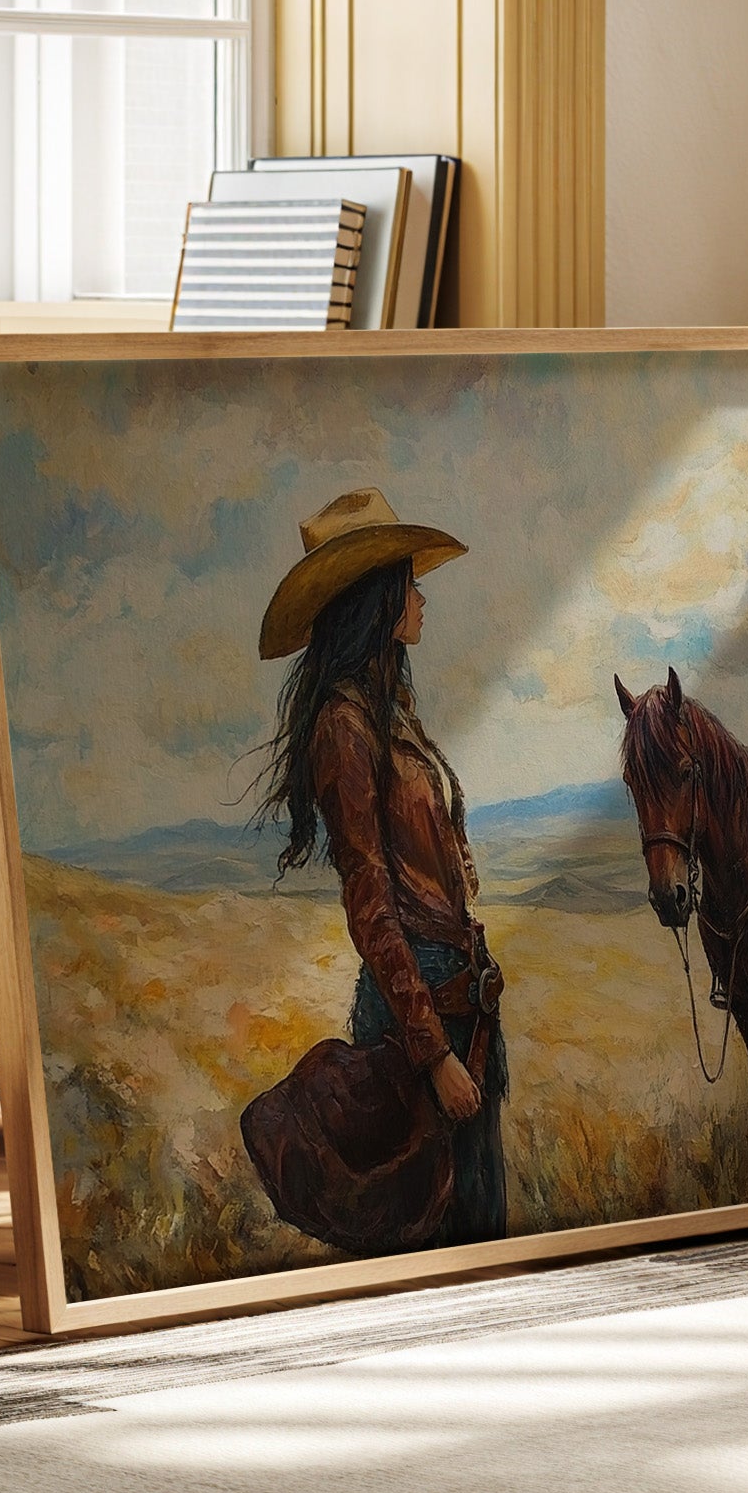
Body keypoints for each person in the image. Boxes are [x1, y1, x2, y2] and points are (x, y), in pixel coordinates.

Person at [252, 487, 507, 1245]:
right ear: (381, 601)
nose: (422, 599)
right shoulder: (345, 727)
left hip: (461, 1007)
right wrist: (433, 1055)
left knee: (480, 1231)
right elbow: (371, 907)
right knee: (432, 1241)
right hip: (416, 1022)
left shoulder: (388, 716)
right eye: (409, 584)